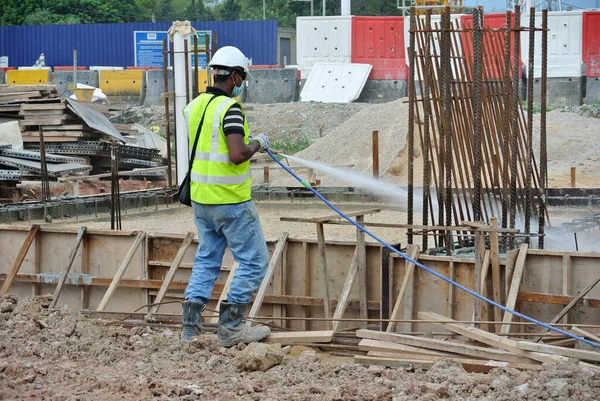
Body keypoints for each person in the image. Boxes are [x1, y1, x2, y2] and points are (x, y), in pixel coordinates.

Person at [180, 46, 271, 347]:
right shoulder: (230, 109)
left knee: (207, 260)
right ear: (233, 76)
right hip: (230, 201)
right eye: (241, 77)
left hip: (202, 200)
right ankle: (231, 329)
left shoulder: (194, 106)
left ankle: (190, 329)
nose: (241, 83)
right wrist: (257, 142)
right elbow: (236, 155)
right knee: (255, 262)